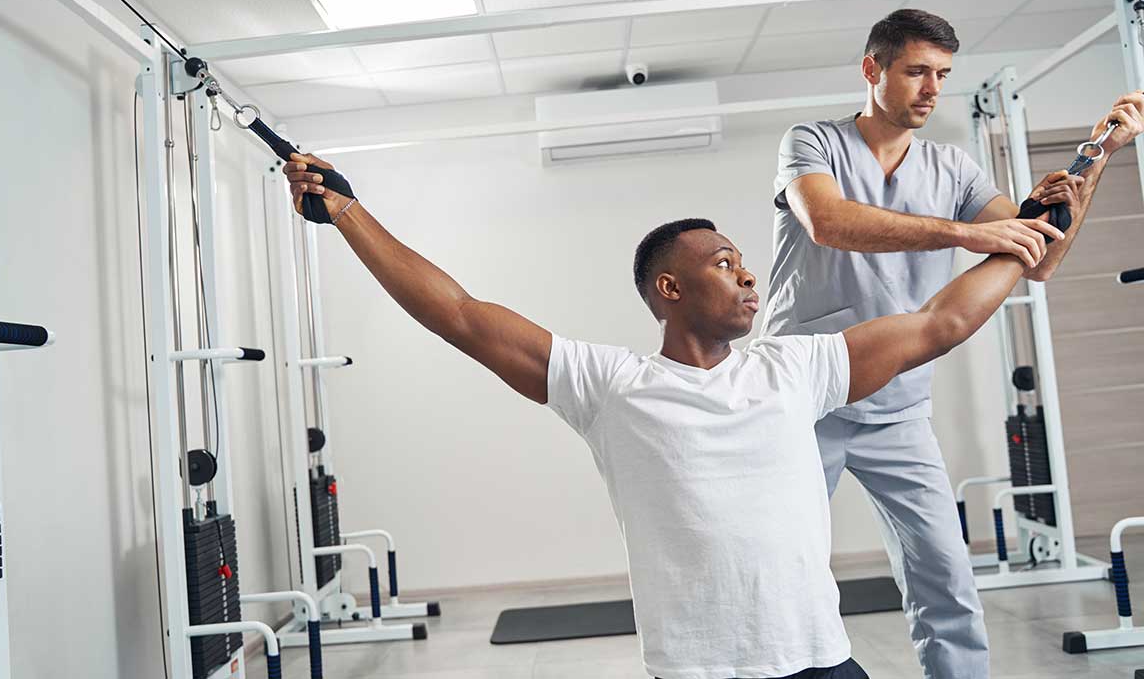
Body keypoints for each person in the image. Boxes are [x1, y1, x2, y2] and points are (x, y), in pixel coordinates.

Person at [281, 150, 1075, 679]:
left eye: (747, 263)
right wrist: (347, 214)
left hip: (820, 663)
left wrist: (1024, 238)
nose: (749, 277)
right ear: (671, 289)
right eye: (725, 263)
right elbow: (458, 313)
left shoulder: (796, 367)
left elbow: (941, 322)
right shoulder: (608, 384)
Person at [762, 7, 1144, 678]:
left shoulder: (952, 166)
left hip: (898, 406)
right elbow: (828, 221)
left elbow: (1040, 258)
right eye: (917, 71)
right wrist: (969, 234)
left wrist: (1097, 156)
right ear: (872, 70)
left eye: (942, 74)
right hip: (802, 400)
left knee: (947, 581)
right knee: (775, 570)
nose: (933, 88)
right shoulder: (812, 142)